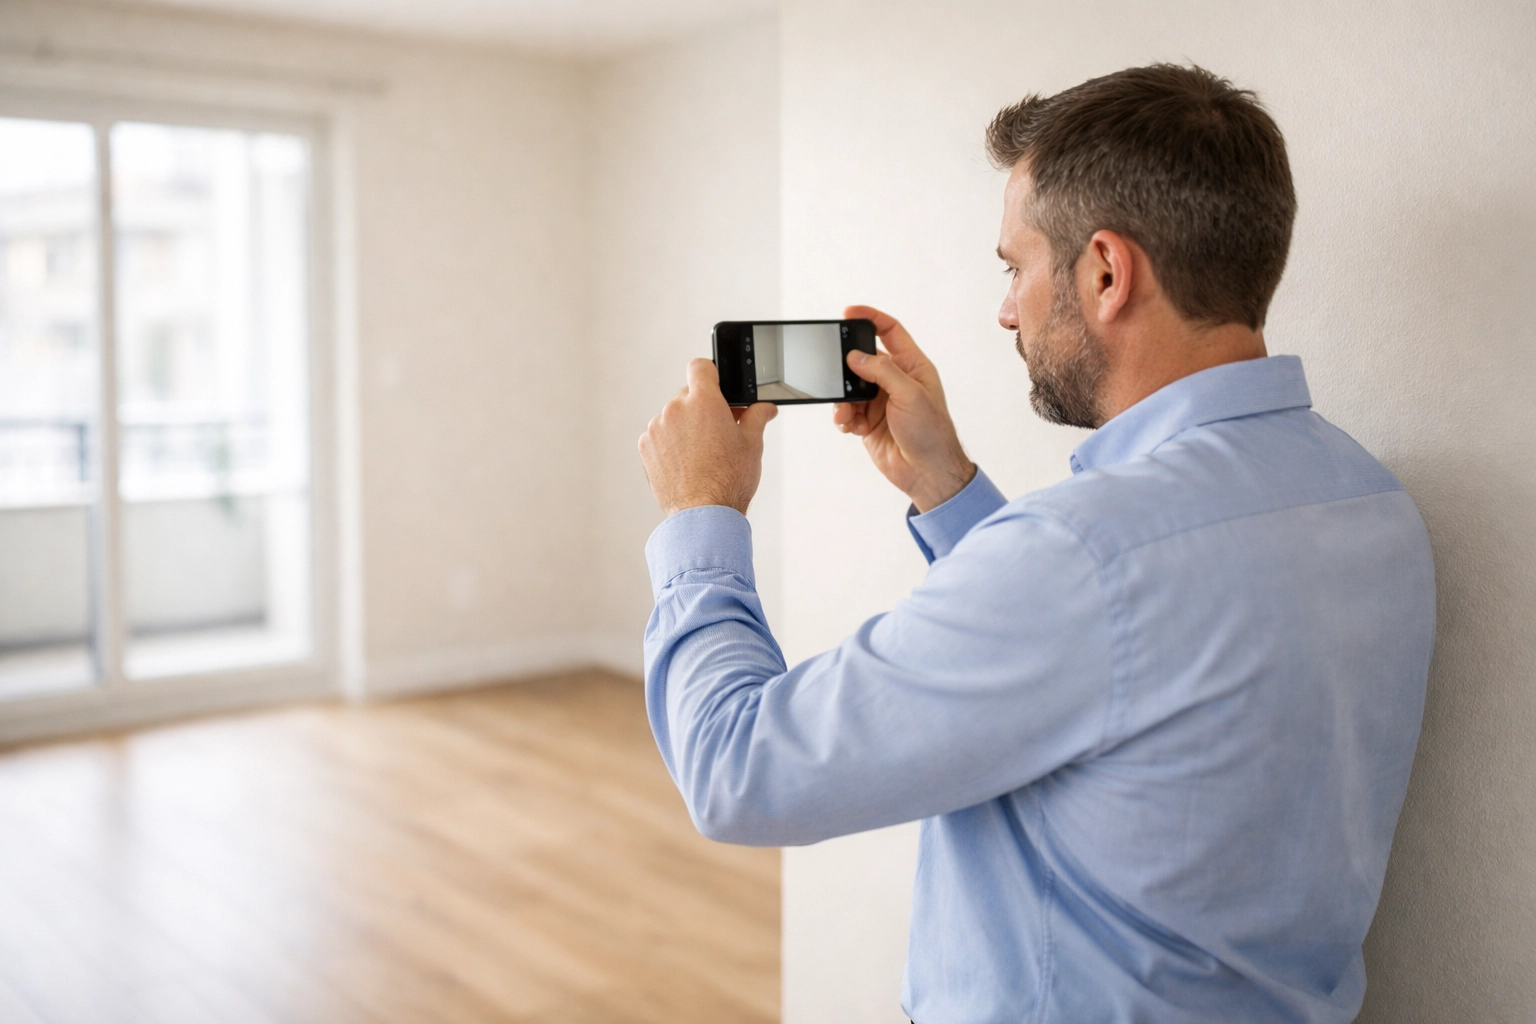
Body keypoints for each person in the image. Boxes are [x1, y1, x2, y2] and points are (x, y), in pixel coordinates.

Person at [636, 64, 1434, 1024]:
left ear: (1106, 271)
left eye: (1016, 268)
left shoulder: (1085, 555)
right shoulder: (1369, 500)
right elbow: (1118, 681)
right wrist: (947, 486)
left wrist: (700, 511)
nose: (1006, 311)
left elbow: (739, 772)